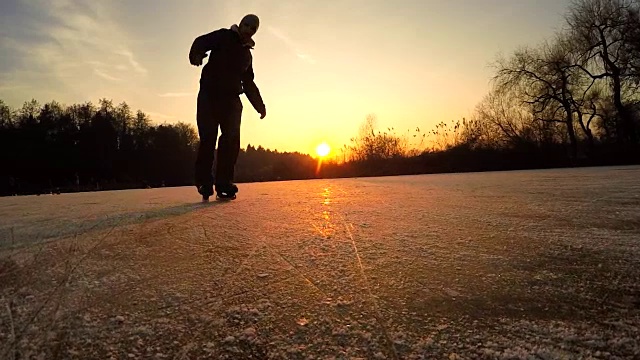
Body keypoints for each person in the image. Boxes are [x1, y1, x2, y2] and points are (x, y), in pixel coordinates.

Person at [189, 14, 266, 200]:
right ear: (240, 24)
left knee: (230, 141)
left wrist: (259, 105)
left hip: (231, 101)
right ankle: (204, 182)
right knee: (208, 138)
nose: (248, 29)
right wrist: (196, 54)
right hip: (209, 95)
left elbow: (248, 83)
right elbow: (201, 41)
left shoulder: (247, 55)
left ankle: (224, 183)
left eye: (253, 29)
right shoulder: (223, 36)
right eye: (247, 25)